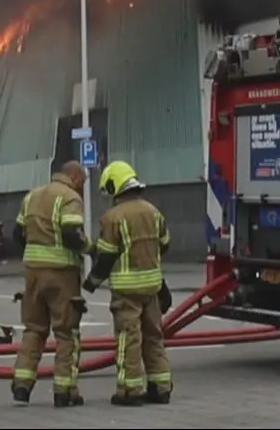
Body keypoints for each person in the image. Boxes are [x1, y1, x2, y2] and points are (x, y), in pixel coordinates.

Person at [83, 160, 172, 407]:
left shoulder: (113, 218)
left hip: (127, 291)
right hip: (152, 286)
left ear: (115, 185)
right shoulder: (154, 212)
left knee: (128, 338)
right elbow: (164, 244)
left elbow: (106, 256)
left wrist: (92, 282)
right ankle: (161, 386)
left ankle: (129, 390)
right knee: (154, 336)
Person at [9, 161, 89, 407]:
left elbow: (17, 234)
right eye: (83, 181)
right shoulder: (70, 198)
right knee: (66, 332)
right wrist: (90, 248)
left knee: (34, 329)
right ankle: (64, 390)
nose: (82, 186)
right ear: (74, 176)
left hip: (33, 273)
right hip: (61, 275)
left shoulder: (32, 196)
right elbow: (71, 234)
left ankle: (22, 385)